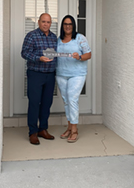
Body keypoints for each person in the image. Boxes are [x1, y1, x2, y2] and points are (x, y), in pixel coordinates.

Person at [21, 13, 57, 145]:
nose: (45, 24)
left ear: (50, 23)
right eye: (43, 21)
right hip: (35, 74)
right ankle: (33, 132)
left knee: (47, 103)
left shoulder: (54, 38)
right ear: (38, 22)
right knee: (34, 103)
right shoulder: (31, 36)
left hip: (50, 75)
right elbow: (24, 53)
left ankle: (43, 129)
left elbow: (56, 54)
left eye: (48, 22)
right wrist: (39, 58)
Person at [56, 15, 91, 143]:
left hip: (77, 74)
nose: (67, 26)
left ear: (73, 26)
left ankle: (75, 129)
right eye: (65, 24)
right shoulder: (58, 39)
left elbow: (89, 54)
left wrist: (80, 57)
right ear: (62, 26)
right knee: (66, 100)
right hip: (61, 74)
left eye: (70, 24)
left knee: (72, 99)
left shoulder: (80, 38)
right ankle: (69, 127)